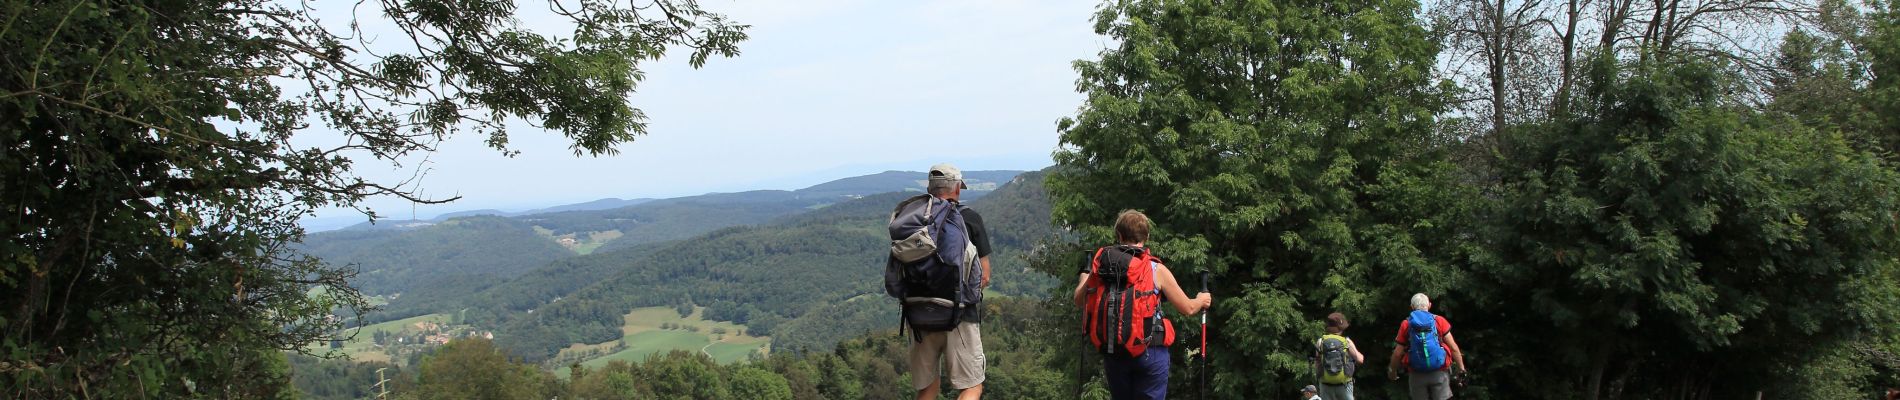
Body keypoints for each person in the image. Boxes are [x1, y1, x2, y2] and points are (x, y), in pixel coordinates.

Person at [1071, 210, 1212, 400]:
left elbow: (1079, 300)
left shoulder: (1102, 267)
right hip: (1150, 352)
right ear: (1146, 237)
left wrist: (1083, 279)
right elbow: (1188, 308)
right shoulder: (1155, 269)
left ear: (1119, 235)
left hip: (1115, 352)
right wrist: (1202, 299)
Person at [907, 164, 992, 400]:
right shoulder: (970, 218)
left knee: (927, 388)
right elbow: (984, 275)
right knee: (972, 386)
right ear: (956, 188)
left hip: (919, 314)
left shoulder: (913, 219)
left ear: (929, 188)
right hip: (960, 315)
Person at [1387, 293, 1467, 400]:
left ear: (1412, 307)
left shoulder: (1406, 324)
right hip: (1440, 371)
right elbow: (1454, 348)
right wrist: (1462, 369)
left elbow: (1397, 353)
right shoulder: (1439, 321)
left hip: (1416, 372)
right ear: (1429, 305)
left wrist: (1392, 371)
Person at [1313, 312, 1364, 400]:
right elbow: (1360, 360)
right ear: (1341, 328)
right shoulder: (1346, 342)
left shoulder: (1320, 341)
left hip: (1326, 385)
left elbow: (1317, 361)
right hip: (1344, 385)